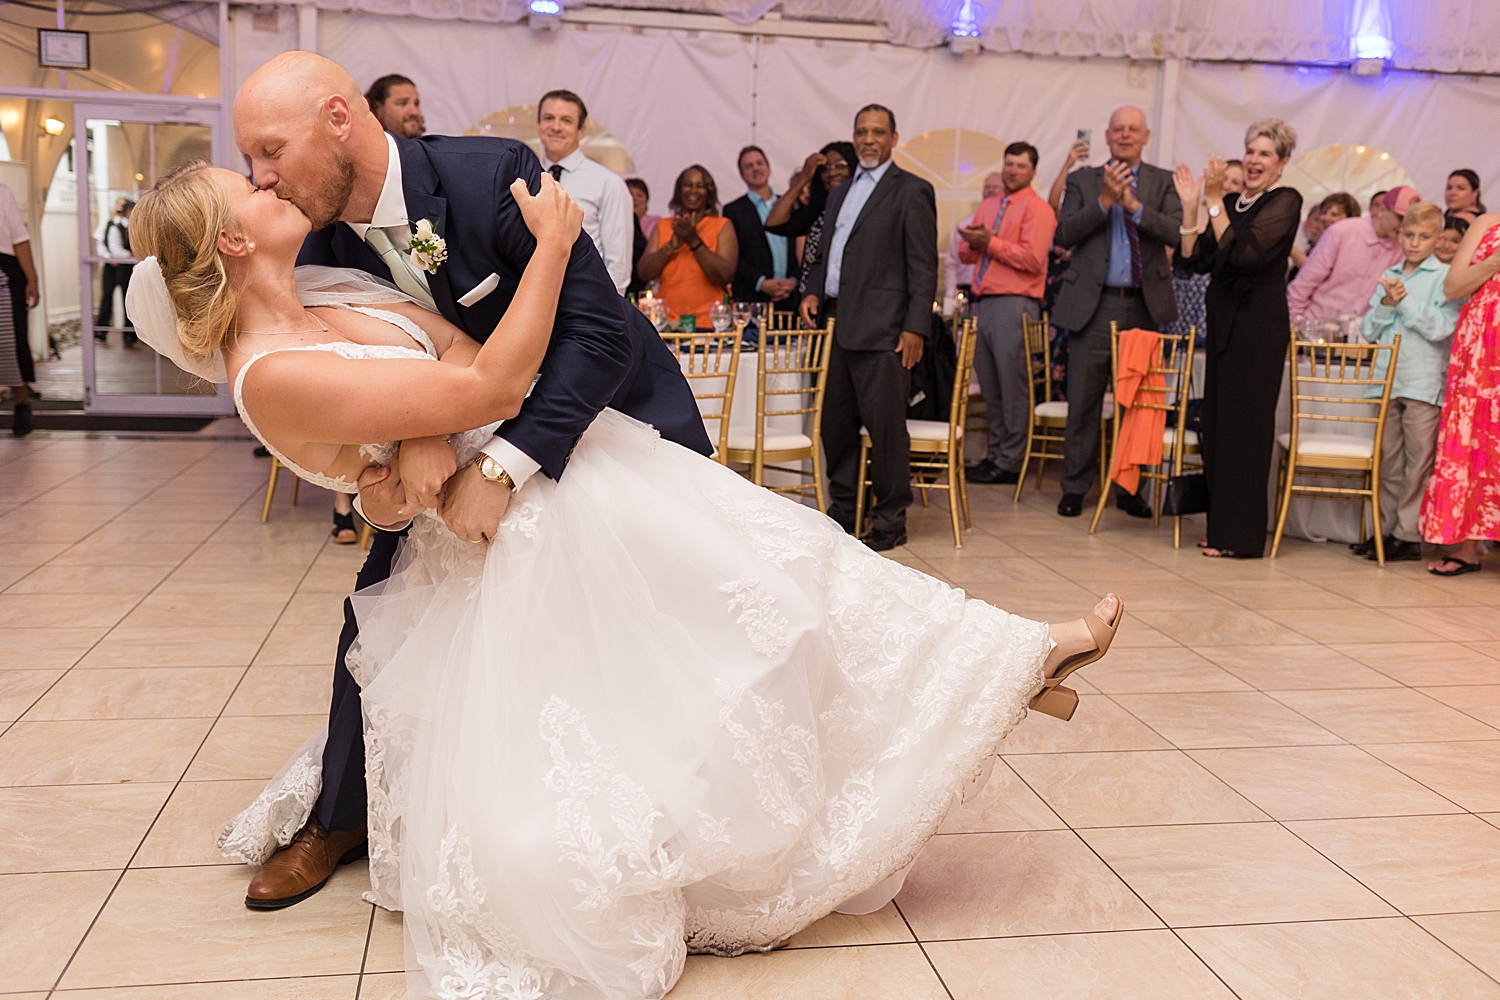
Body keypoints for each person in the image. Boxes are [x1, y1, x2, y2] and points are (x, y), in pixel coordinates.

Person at [128, 155, 1126, 1000]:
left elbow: (460, 358)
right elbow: (491, 379)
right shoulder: (268, 367)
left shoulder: (327, 298)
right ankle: (1010, 668)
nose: (268, 181)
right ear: (231, 242)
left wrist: (431, 426)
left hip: (547, 472)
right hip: (512, 528)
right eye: (247, 186)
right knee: (745, 618)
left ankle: (1003, 660)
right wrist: (553, 249)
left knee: (784, 559)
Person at [229, 51, 713, 913]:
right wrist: (425, 429)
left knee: (645, 630)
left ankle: (662, 806)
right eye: (251, 161)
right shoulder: (318, 240)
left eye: (270, 149)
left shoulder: (495, 177)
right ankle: (340, 817)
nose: (259, 177)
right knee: (379, 606)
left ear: (339, 119)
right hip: (459, 434)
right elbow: (394, 350)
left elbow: (600, 339)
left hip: (608, 423)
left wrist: (498, 464)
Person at [798, 104, 938, 550]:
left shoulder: (912, 190)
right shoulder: (840, 191)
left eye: (878, 132)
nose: (869, 139)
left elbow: (923, 265)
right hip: (836, 325)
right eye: (861, 131)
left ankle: (891, 518)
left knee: (886, 430)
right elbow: (829, 254)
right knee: (834, 427)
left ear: (895, 138)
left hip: (885, 331)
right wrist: (813, 291)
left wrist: (916, 327)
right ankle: (843, 512)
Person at [1174, 119, 1303, 558]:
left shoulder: (1285, 200)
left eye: (1265, 153)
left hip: (1258, 328)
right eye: (1250, 150)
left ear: (1282, 162)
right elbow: (1193, 262)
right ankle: (1220, 532)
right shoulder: (1230, 202)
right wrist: (1193, 207)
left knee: (1247, 432)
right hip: (1224, 325)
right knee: (1218, 430)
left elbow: (1246, 255)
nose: (1253, 159)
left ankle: (1244, 539)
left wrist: (1212, 202)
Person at [1050, 105, 1183, 519]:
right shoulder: (1083, 180)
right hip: (1093, 304)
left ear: (1145, 136)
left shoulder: (1163, 182)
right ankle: (1075, 487)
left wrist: (1133, 205)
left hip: (1143, 306)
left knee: (1138, 406)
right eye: (1118, 130)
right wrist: (1106, 201)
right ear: (1107, 137)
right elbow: (1065, 233)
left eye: (1133, 130)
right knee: (1084, 403)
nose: (1125, 136)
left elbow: (1176, 231)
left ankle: (1130, 489)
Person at [1351, 202, 1460, 563]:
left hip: (1421, 381)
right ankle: (1384, 530)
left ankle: (1409, 534)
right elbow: (1368, 330)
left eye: (1424, 236)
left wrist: (1405, 302)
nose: (1415, 243)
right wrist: (1386, 302)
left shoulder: (1444, 277)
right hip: (1386, 379)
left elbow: (1442, 328)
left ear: (1437, 237)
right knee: (1387, 460)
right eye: (1409, 235)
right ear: (1400, 235)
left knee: (1418, 463)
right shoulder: (1391, 272)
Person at [956, 144, 1056, 486]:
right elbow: (967, 256)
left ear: (1032, 171)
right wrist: (972, 242)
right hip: (982, 302)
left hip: (1015, 303)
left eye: (1020, 165)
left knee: (1013, 385)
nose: (1012, 170)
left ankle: (1012, 460)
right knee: (991, 386)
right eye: (1008, 164)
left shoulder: (1038, 209)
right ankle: (996, 454)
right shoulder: (989, 204)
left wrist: (991, 241)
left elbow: (1033, 260)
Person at [1420, 208, 1500, 576]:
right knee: (1474, 441)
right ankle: (1466, 547)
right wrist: (1494, 263)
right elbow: (1452, 287)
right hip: (1481, 351)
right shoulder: (1487, 223)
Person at [536, 90, 634, 296]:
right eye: (548, 118)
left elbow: (619, 263)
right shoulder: (525, 178)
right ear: (538, 126)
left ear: (581, 130)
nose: (555, 127)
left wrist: (605, 313)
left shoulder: (608, 183)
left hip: (586, 302)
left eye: (566, 120)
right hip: (532, 299)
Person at [1287, 186, 1416, 323]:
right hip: (1317, 327)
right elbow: (1305, 283)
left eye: (1410, 222)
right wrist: (1295, 322)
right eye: (1400, 218)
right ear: (1382, 210)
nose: (1404, 226)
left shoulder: (1401, 247)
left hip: (1361, 336)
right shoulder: (1342, 231)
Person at [636, 165, 737, 325]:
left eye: (700, 186)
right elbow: (644, 273)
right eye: (688, 185)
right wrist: (671, 245)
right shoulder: (663, 226)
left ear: (709, 192)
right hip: (668, 324)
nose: (693, 190)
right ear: (679, 191)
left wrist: (693, 241)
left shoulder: (722, 226)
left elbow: (725, 276)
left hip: (710, 324)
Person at [763, 141, 855, 298]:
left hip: (853, 307)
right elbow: (773, 223)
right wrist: (804, 177)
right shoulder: (819, 213)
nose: (832, 173)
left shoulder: (867, 211)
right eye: (825, 169)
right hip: (813, 307)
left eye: (840, 166)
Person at [724, 146, 798, 306]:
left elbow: (801, 251)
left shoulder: (789, 205)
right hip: (752, 301)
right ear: (742, 175)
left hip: (791, 300)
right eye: (749, 166)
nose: (756, 168)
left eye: (759, 163)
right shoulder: (733, 210)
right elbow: (733, 257)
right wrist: (761, 283)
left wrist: (793, 281)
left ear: (769, 168)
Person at [0, 180, 38, 435]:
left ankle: (22, 406)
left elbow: (20, 239)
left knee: (12, 344)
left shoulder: (3, 193)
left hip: (5, 275)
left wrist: (32, 279)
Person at [944, 171, 1003, 304]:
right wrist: (949, 297)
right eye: (987, 187)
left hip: (994, 293)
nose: (991, 191)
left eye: (996, 187)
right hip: (964, 291)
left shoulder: (1007, 225)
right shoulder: (965, 224)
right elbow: (952, 263)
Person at [93, 197, 137, 347]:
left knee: (128, 299)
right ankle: (101, 330)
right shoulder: (109, 224)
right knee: (107, 296)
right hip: (111, 266)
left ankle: (130, 336)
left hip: (127, 267)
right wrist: (108, 257)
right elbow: (101, 243)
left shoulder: (133, 226)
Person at [1291, 192, 1359, 272]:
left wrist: (1291, 249)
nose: (1326, 218)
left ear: (1349, 218)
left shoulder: (1347, 246)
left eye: (1334, 214)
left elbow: (1315, 271)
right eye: (1323, 213)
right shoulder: (1321, 241)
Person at [364, 74, 425, 138]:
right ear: (377, 107)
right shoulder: (359, 146)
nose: (414, 112)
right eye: (403, 103)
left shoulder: (430, 146)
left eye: (416, 104)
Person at [624, 177, 653, 295]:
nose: (634, 199)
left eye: (639, 195)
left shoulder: (657, 224)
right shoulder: (615, 223)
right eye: (629, 195)